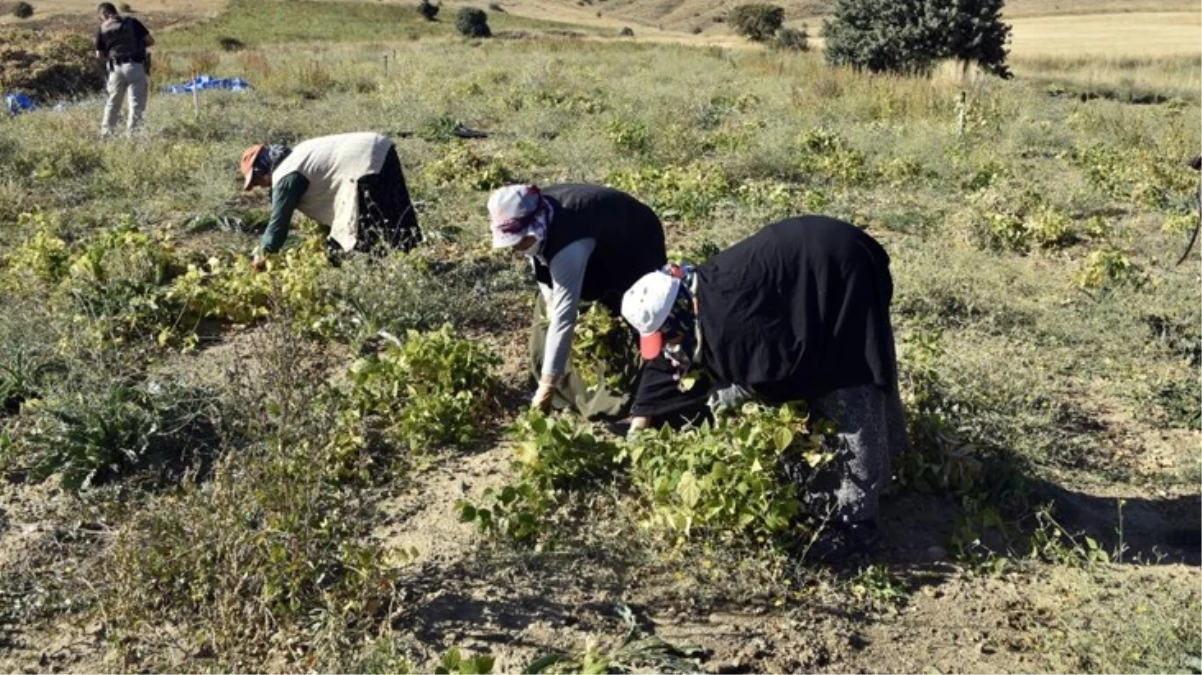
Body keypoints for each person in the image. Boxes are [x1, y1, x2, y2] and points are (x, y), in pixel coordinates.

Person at [620, 215, 908, 560]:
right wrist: (639, 428)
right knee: (837, 373)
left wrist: (735, 398)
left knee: (847, 377)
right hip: (813, 255)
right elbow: (665, 362)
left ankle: (857, 524)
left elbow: (776, 369)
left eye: (667, 334)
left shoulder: (729, 322)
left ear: (677, 315)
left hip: (842, 267)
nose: (668, 343)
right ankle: (890, 461)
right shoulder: (689, 292)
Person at [488, 184, 672, 416]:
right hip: (594, 235)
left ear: (536, 227)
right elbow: (538, 260)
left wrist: (546, 387)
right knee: (547, 314)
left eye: (519, 241)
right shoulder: (536, 215)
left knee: (637, 312)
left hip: (634, 238)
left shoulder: (569, 244)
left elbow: (565, 319)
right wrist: (549, 299)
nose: (516, 248)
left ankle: (645, 392)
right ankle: (562, 387)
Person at [239, 132, 421, 269]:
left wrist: (263, 254)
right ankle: (410, 259)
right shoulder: (298, 155)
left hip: (363, 164)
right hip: (381, 147)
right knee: (394, 210)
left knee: (364, 227)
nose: (261, 186)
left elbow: (278, 225)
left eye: (257, 181)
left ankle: (384, 273)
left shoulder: (285, 175)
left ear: (262, 170)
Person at [95, 2, 154, 137]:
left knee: (113, 103)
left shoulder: (102, 28)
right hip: (134, 66)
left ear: (104, 14)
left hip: (114, 69)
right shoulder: (131, 22)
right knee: (136, 103)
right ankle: (133, 135)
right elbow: (150, 41)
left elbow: (99, 55)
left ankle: (106, 133)